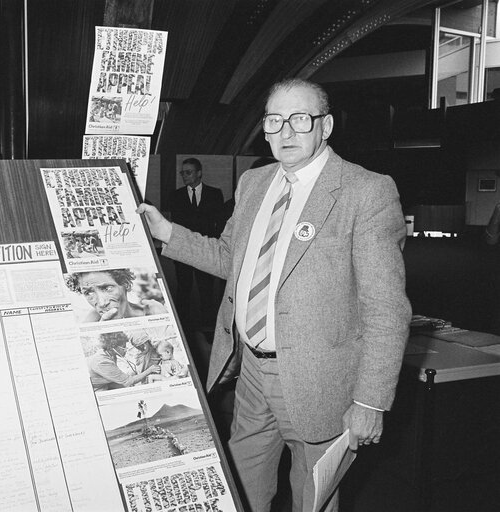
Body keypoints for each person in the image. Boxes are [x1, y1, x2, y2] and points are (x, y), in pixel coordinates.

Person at [138, 78, 410, 512]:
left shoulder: (365, 192)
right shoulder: (254, 183)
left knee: (312, 500)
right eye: (274, 120)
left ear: (326, 126)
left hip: (318, 382)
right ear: (263, 129)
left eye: (300, 119)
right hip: (250, 374)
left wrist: (370, 401)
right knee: (240, 490)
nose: (286, 132)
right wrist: (168, 233)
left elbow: (387, 311)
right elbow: (231, 259)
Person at [170, 157, 225, 327]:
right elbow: (176, 223)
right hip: (183, 250)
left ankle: (208, 326)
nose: (184, 176)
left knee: (205, 288)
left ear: (199, 173)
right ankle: (182, 326)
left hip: (205, 249)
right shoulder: (176, 196)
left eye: (188, 172)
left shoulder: (215, 194)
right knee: (183, 288)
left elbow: (219, 223)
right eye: (182, 173)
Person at [65, 269, 168, 322]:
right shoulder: (93, 319)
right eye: (89, 293)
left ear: (126, 285)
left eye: (108, 288)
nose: (102, 303)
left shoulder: (152, 310)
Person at [87, 332, 160, 391]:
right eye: (123, 347)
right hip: (98, 388)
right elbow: (128, 381)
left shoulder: (110, 354)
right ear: (113, 347)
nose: (126, 349)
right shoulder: (102, 362)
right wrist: (150, 370)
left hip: (107, 382)